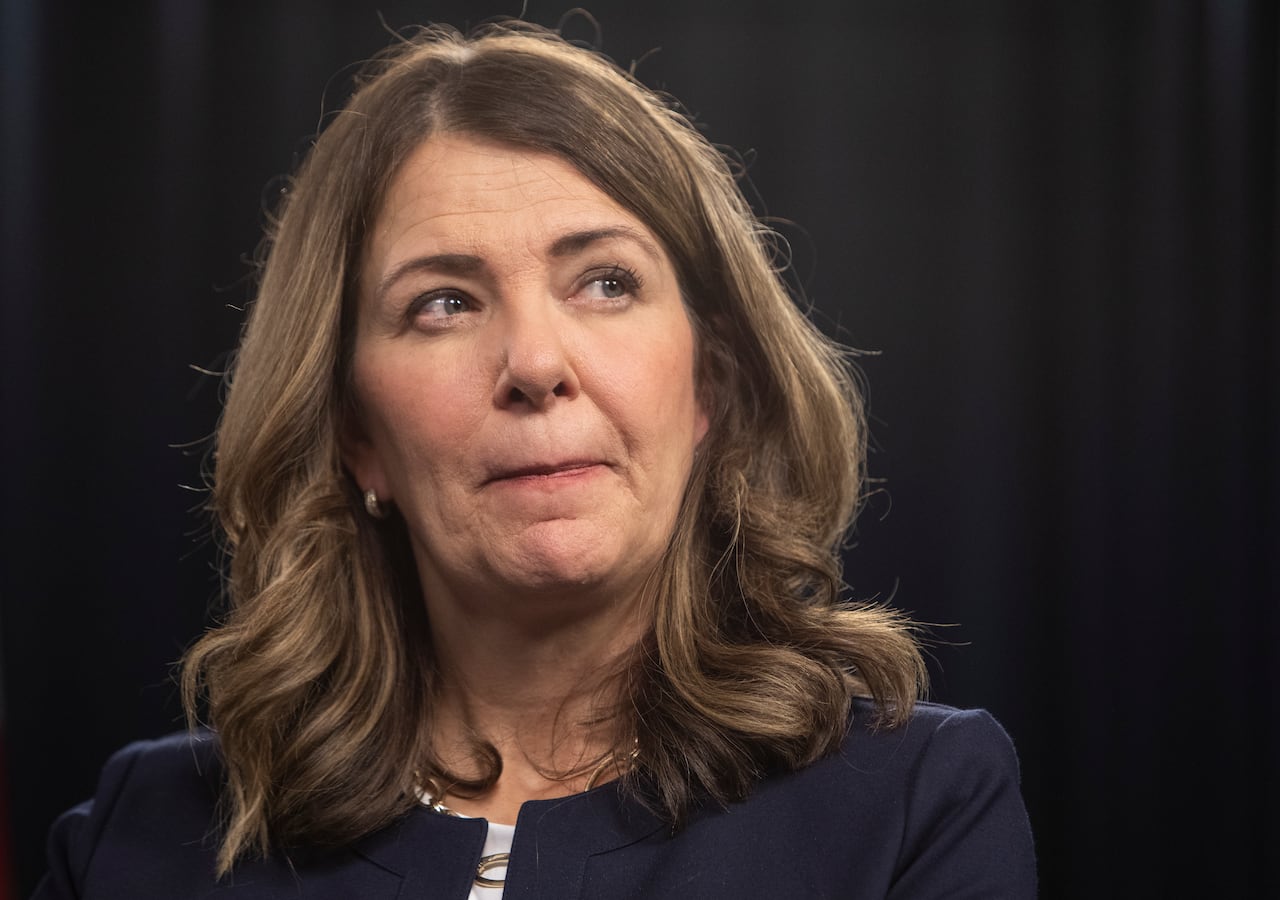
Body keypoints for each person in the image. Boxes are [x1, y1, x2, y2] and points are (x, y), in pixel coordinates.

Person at [32, 21, 1036, 899]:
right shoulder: (138, 833)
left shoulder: (915, 804)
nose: (534, 365)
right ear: (355, 434)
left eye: (603, 282)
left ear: (709, 387)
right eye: (444, 303)